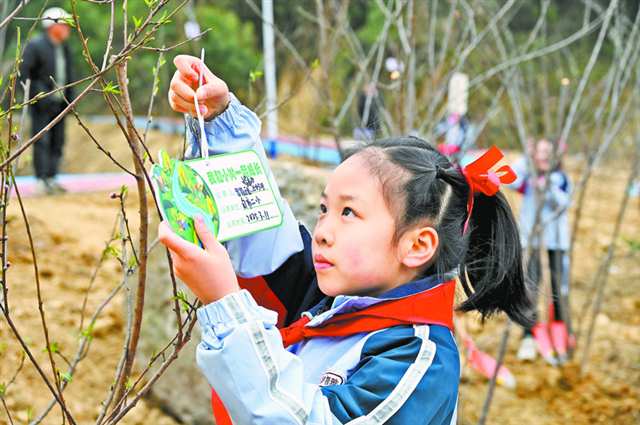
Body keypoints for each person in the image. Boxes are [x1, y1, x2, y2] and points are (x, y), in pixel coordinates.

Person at [159, 55, 532, 424]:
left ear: (416, 246)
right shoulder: (337, 300)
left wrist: (225, 305)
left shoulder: (416, 360)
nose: (322, 231)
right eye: (324, 208)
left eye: (348, 213)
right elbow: (267, 237)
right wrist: (221, 121)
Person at [509, 138, 572, 364]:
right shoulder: (527, 176)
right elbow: (510, 179)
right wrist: (526, 157)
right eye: (539, 152)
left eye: (548, 152)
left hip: (556, 244)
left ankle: (563, 334)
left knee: (557, 290)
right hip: (532, 242)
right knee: (530, 288)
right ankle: (529, 335)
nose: (543, 156)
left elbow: (563, 203)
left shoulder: (561, 179)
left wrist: (548, 187)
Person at [19, 7, 74, 195]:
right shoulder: (35, 46)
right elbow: (25, 74)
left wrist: (70, 101)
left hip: (61, 104)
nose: (68, 29)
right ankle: (41, 179)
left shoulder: (64, 48)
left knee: (58, 140)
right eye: (64, 25)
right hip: (42, 104)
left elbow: (69, 76)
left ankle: (52, 177)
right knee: (42, 140)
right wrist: (40, 96)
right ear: (52, 26)